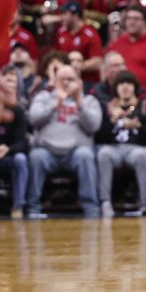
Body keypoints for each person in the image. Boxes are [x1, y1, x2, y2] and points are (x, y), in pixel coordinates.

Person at [28, 65, 102, 218]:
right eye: (62, 79)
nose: (67, 83)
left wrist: (79, 103)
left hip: (76, 152)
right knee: (36, 156)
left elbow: (94, 126)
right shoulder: (43, 97)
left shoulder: (89, 100)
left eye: (71, 79)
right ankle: (32, 207)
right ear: (55, 81)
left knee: (85, 156)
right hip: (47, 151)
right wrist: (55, 104)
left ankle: (91, 208)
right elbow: (33, 119)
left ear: (79, 82)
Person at [96, 70, 146, 217]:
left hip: (136, 148)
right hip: (113, 148)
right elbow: (99, 136)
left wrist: (138, 127)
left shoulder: (144, 106)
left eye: (129, 84)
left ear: (134, 87)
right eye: (121, 84)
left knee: (142, 155)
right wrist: (111, 121)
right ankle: (105, 203)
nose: (125, 87)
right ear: (116, 88)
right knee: (103, 153)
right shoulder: (109, 107)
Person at [0, 66, 28, 218]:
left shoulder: (18, 111)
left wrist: (7, 149)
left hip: (10, 153)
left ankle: (18, 207)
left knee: (21, 159)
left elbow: (23, 143)